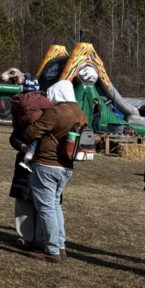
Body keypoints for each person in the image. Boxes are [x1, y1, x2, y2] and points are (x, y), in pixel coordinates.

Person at [23, 80, 84, 262]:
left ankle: (52, 250)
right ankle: (60, 245)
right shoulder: (80, 113)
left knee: (47, 207)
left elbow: (31, 133)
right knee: (55, 205)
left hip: (47, 163)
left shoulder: (57, 112)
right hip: (67, 165)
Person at [9, 73, 52, 250]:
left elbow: (14, 137)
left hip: (30, 158)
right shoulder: (48, 108)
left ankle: (26, 236)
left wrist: (22, 147)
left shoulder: (18, 106)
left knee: (26, 201)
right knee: (42, 202)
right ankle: (38, 238)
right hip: (43, 158)